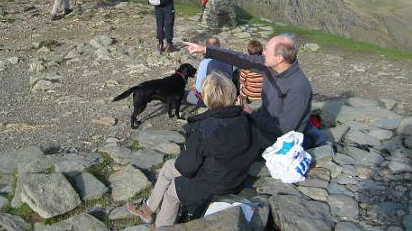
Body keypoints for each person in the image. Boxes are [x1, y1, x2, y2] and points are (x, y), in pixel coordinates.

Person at [126, 73, 260, 229]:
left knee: (172, 191)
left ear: (206, 98)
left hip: (216, 182)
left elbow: (187, 168)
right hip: (233, 174)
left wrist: (188, 149)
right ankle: (148, 208)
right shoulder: (243, 119)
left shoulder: (204, 128)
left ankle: (163, 226)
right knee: (169, 166)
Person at [183, 35, 326, 149]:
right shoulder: (270, 66)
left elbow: (284, 130)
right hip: (265, 119)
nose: (263, 52)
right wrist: (205, 49)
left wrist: (251, 113)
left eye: (267, 51)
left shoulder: (298, 87)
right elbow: (240, 58)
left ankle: (312, 139)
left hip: (278, 136)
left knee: (235, 141)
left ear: (279, 58)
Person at [186, 37, 233, 107]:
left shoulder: (205, 63)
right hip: (227, 96)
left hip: (213, 99)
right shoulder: (228, 59)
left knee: (189, 96)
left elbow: (199, 88)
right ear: (219, 46)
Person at [238, 39, 264, 110]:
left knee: (241, 85)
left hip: (250, 96)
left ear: (248, 54)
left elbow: (242, 83)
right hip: (263, 95)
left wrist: (241, 94)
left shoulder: (246, 67)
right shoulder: (266, 65)